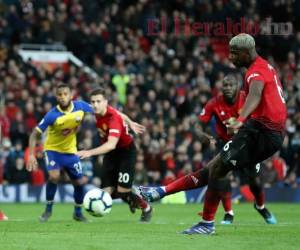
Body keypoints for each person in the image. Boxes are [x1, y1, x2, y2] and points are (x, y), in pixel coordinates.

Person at [142, 33, 286, 235]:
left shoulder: (255, 72)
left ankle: (208, 224)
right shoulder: (264, 66)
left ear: (245, 53)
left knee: (219, 170)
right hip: (262, 130)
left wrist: (240, 118)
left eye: (234, 54)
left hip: (262, 132)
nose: (230, 57)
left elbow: (255, 94)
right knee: (213, 168)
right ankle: (161, 192)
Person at [140, 74, 276, 226]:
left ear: (238, 87)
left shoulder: (247, 99)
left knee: (254, 183)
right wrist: (205, 137)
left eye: (231, 85)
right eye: (225, 85)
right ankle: (227, 213)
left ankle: (260, 206)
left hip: (249, 145)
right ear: (221, 87)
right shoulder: (214, 103)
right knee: (217, 175)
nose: (228, 88)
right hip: (226, 144)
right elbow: (197, 126)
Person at [77, 87, 153, 222]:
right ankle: (130, 197)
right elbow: (120, 113)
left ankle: (146, 207)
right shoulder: (96, 109)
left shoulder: (113, 119)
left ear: (105, 102)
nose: (95, 104)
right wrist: (130, 122)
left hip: (126, 152)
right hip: (111, 154)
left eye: (98, 101)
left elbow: (111, 144)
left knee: (123, 192)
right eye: (93, 102)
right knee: (106, 193)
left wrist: (89, 152)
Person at [26, 84, 94, 222]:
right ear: (56, 97)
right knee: (54, 176)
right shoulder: (52, 115)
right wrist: (32, 154)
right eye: (59, 95)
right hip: (53, 151)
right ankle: (48, 210)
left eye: (65, 94)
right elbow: (34, 134)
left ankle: (78, 212)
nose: (62, 97)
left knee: (79, 182)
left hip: (70, 151)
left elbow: (100, 110)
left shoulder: (80, 106)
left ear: (71, 94)